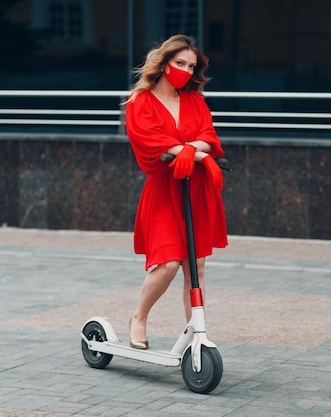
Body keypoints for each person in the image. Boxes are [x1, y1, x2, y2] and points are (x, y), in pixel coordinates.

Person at [124, 34, 227, 350]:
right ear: (164, 63)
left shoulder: (195, 100)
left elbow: (208, 135)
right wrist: (197, 155)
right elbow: (151, 145)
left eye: (191, 65)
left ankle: (196, 335)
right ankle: (138, 317)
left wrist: (192, 150)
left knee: (195, 267)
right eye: (179, 63)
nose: (185, 69)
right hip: (165, 191)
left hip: (196, 190)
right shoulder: (140, 102)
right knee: (168, 264)